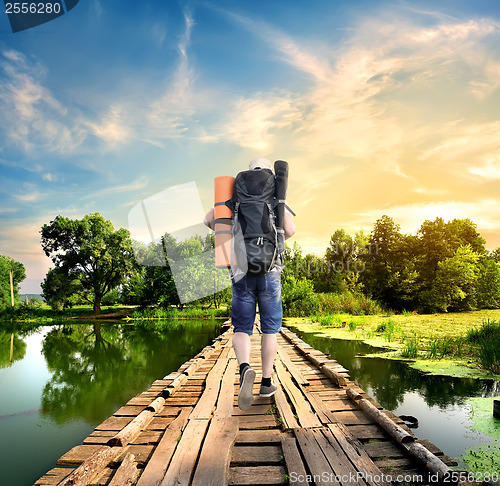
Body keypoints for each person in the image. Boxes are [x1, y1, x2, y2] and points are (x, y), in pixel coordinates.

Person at [204, 157, 295, 410]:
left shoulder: (234, 195)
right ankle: (266, 382)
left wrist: (230, 224)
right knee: (269, 329)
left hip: (240, 269)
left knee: (241, 328)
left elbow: (209, 220)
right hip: (271, 269)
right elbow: (290, 230)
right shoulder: (278, 197)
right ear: (268, 173)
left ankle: (245, 367)